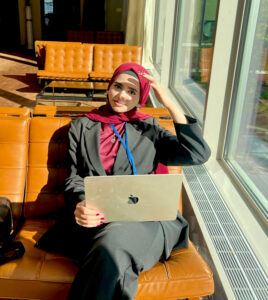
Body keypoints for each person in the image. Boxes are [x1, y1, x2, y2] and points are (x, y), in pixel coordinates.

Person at [38, 62, 211, 300]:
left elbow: (197, 154)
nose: (121, 95)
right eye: (117, 86)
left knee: (112, 245)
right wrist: (81, 204)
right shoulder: (81, 126)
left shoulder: (149, 129)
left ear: (142, 97)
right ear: (109, 87)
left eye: (132, 91)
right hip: (97, 221)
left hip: (146, 221)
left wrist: (169, 103)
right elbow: (75, 177)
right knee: (113, 252)